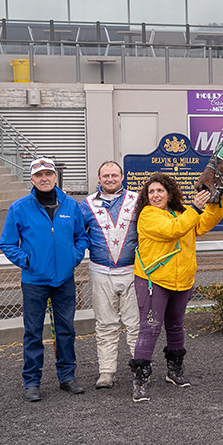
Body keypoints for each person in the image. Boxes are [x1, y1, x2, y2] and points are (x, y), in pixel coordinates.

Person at [0, 157, 88, 402]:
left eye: (48, 174)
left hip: (64, 280)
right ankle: (31, 380)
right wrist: (27, 261)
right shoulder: (20, 207)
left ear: (55, 177)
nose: (44, 178)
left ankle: (67, 376)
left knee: (66, 330)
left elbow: (82, 237)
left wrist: (74, 257)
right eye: (39, 175)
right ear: (32, 179)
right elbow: (7, 243)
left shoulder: (70, 205)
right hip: (34, 281)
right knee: (33, 332)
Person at [129, 173, 223, 402]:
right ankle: (140, 377)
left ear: (170, 193)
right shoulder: (148, 215)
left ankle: (175, 371)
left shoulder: (181, 213)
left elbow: (203, 224)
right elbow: (174, 230)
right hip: (154, 280)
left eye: (160, 190)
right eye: (151, 192)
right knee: (150, 327)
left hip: (182, 281)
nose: (155, 195)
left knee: (176, 326)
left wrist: (216, 201)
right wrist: (195, 207)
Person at [81, 161, 140, 389]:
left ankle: (139, 367)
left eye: (114, 175)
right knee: (105, 324)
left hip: (132, 271)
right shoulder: (86, 204)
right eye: (106, 175)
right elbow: (78, 234)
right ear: (99, 177)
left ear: (122, 176)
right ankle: (106, 371)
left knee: (135, 324)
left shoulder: (137, 200)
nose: (110, 179)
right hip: (100, 272)